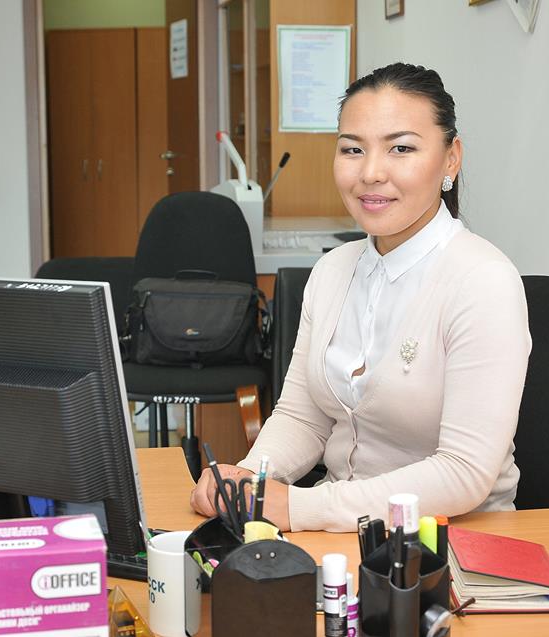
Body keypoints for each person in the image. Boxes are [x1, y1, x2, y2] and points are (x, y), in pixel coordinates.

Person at [190, 62, 531, 532]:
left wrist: (297, 508)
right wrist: (249, 479)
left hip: (454, 542)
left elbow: (463, 473)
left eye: (401, 148)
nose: (370, 173)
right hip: (341, 536)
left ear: (451, 158)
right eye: (353, 149)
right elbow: (303, 417)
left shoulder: (483, 282)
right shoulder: (332, 271)